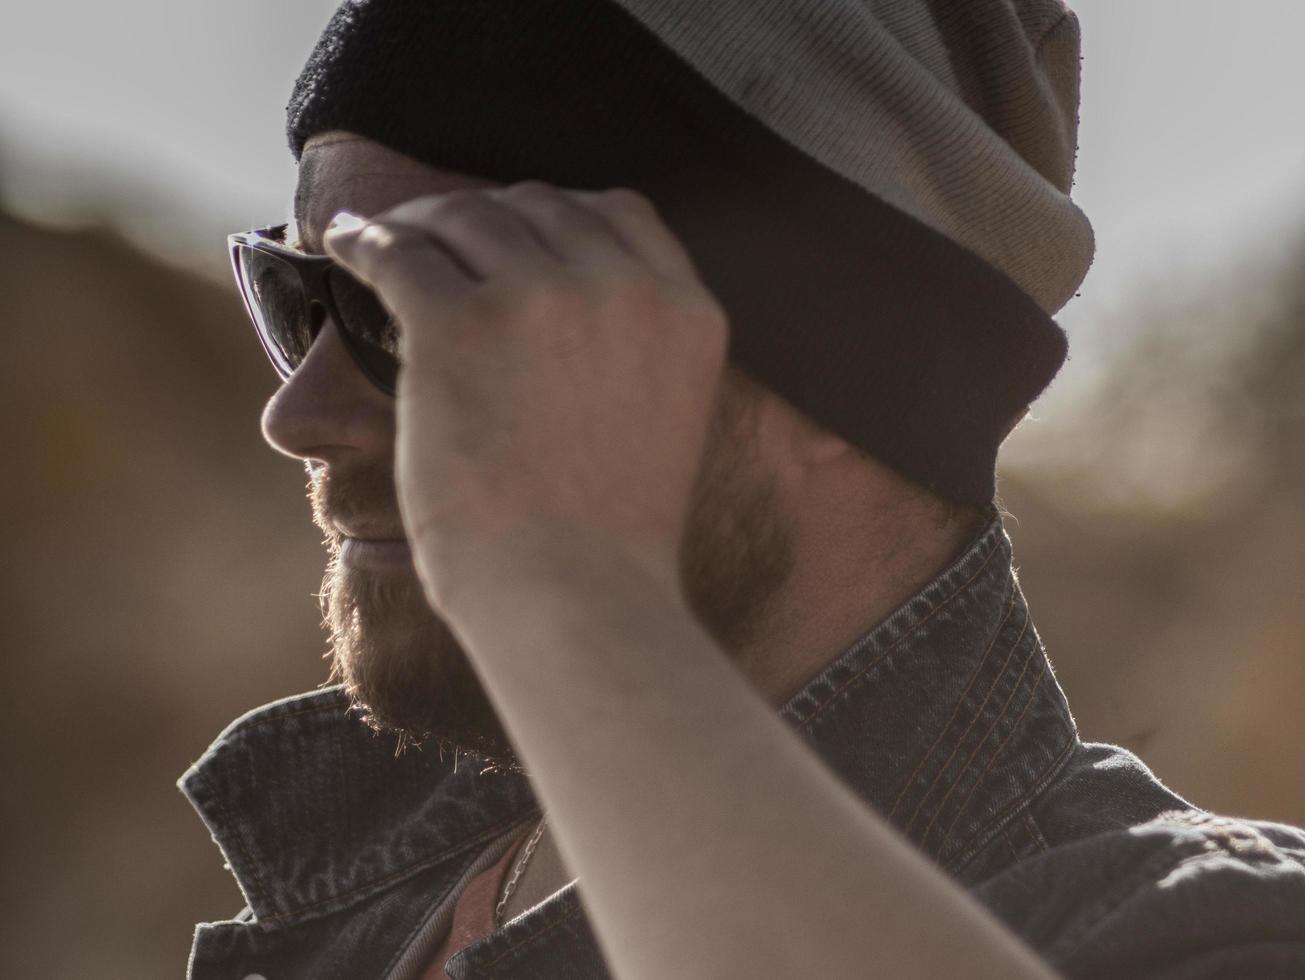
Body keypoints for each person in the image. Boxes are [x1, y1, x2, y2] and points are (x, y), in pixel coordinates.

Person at [182, 1, 1305, 977]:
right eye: (301, 295)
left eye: (435, 308)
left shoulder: (1209, 929)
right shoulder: (379, 885)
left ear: (844, 366)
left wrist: (574, 598)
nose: (299, 416)